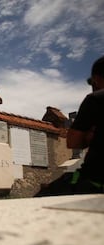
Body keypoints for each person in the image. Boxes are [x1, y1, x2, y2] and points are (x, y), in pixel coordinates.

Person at [36, 56, 104, 196]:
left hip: (94, 181)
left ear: (97, 79)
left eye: (92, 83)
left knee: (41, 198)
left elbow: (73, 141)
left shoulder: (96, 99)